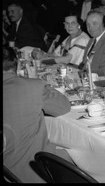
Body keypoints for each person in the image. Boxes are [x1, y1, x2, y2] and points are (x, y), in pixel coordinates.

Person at [3, 46, 72, 182]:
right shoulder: (32, 87)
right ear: (16, 65)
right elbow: (63, 106)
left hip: (7, 170)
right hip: (33, 172)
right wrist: (38, 81)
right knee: (82, 157)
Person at [80, 11, 105, 77]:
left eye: (94, 23)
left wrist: (83, 74)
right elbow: (84, 64)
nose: (90, 27)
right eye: (88, 24)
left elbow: (104, 72)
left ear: (103, 24)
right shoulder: (92, 40)